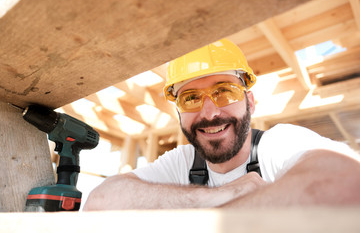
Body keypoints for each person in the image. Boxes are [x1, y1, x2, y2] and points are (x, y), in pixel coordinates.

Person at [83, 39, 360, 210]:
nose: (210, 112)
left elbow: (345, 182)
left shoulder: (277, 145)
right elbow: (101, 201)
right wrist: (229, 193)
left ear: (250, 102)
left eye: (224, 91)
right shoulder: (182, 163)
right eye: (191, 98)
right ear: (179, 112)